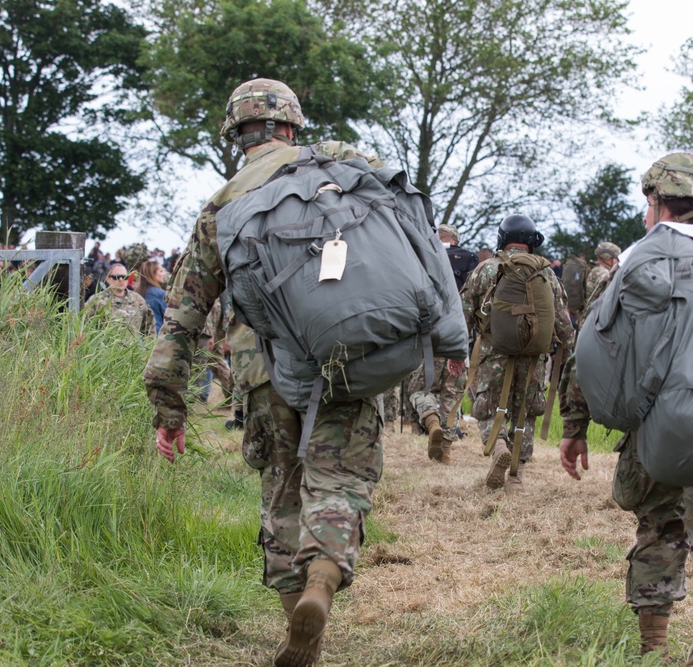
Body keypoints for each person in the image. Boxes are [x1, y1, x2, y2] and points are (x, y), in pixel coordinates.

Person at [144, 78, 388, 667]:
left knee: (282, 493)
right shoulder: (344, 169)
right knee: (339, 480)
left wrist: (169, 408)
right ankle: (322, 584)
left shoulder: (223, 205)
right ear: (292, 126)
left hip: (263, 371)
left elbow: (181, 321)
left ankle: (300, 630)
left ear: (236, 135)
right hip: (345, 353)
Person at [560, 152, 693, 666]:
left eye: (648, 203)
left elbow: (596, 346)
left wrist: (575, 424)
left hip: (663, 422)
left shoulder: (646, 254)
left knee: (660, 525)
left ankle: (653, 649)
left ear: (662, 204)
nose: (643, 216)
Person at [461, 214, 575, 490]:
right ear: (530, 242)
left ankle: (498, 446)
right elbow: (562, 322)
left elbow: (463, 312)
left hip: (493, 352)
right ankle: (516, 476)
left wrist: (456, 352)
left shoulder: (485, 269)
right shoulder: (546, 273)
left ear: (502, 238)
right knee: (525, 411)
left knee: (488, 409)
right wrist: (569, 352)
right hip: (534, 356)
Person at [402, 223, 475, 463]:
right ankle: (445, 450)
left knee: (420, 389)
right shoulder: (470, 260)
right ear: (455, 239)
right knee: (451, 395)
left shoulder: (420, 255)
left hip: (427, 336)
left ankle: (430, 420)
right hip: (459, 337)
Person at [83, 262, 154, 335]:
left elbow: (150, 328)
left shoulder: (138, 300)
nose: (121, 280)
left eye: (124, 277)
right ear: (108, 279)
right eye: (116, 277)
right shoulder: (97, 300)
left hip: (131, 345)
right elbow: (84, 326)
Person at [136, 260, 168, 334]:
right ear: (152, 274)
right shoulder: (159, 294)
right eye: (161, 271)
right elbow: (168, 317)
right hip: (157, 335)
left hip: (141, 336)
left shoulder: (137, 292)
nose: (164, 274)